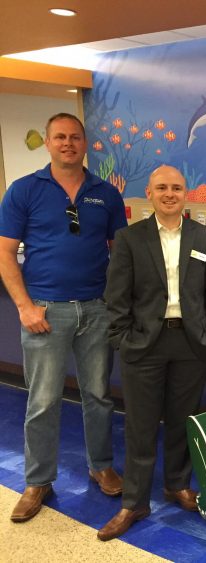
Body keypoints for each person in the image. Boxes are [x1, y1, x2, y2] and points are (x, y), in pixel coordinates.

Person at [0, 113, 127, 523]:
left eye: (75, 137)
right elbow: (4, 253)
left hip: (95, 309)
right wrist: (24, 306)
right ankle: (38, 480)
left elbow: (120, 253)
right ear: (49, 143)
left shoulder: (105, 194)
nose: (68, 143)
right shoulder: (23, 191)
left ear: (86, 142)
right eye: (60, 137)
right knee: (42, 401)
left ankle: (101, 465)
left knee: (98, 396)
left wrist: (114, 303)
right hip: (45, 312)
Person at [98, 165, 206, 541]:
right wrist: (123, 338)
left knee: (181, 419)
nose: (170, 194)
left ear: (185, 194)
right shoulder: (129, 238)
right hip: (144, 343)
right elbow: (116, 295)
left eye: (176, 188)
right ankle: (134, 501)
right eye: (162, 188)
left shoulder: (205, 237)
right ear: (149, 194)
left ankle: (176, 484)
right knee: (140, 424)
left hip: (190, 342)